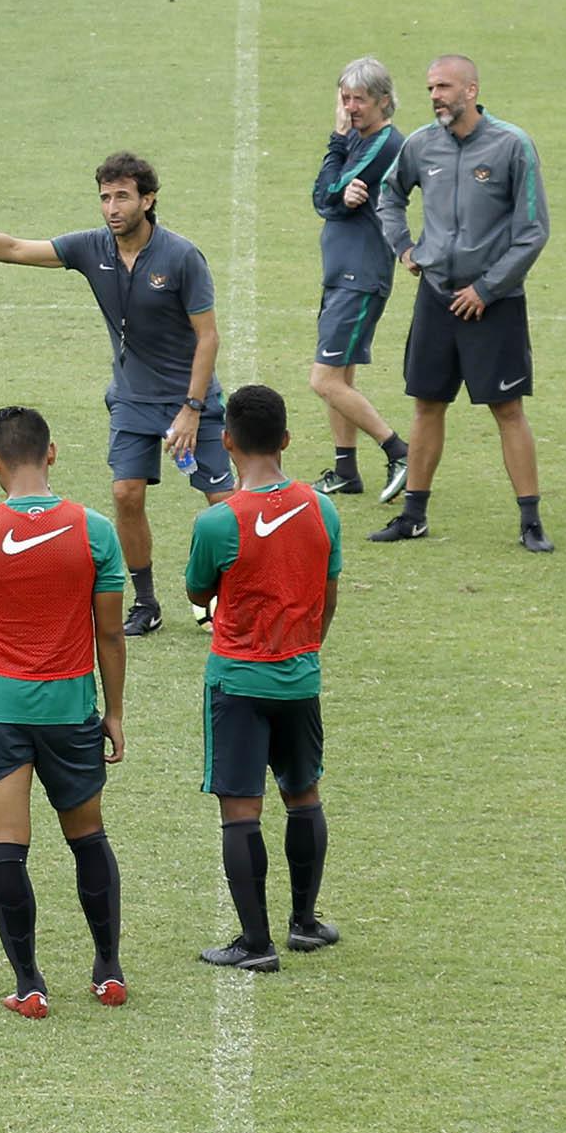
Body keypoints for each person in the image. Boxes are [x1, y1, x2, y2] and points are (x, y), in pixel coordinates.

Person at [0, 152, 228, 636]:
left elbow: (207, 337)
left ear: (148, 201)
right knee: (125, 494)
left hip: (191, 400)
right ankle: (146, 603)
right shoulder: (93, 249)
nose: (112, 207)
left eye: (123, 196)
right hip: (131, 399)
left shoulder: (182, 257)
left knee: (224, 502)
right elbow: (14, 249)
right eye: (105, 197)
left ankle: (228, 595)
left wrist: (193, 409)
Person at [0, 406, 128, 1019]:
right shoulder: (95, 530)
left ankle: (29, 985)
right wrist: (116, 711)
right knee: (87, 837)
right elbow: (109, 633)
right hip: (72, 705)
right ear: (52, 454)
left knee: (7, 846)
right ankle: (108, 971)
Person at [185, 385, 344, 970]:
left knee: (240, 810)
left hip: (238, 683)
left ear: (227, 442)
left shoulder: (218, 522)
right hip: (300, 677)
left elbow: (199, 591)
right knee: (303, 795)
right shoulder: (322, 508)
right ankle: (304, 922)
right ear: (285, 441)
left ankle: (255, 944)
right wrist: (305, 647)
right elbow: (328, 595)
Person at [371, 56, 553, 551]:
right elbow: (389, 197)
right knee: (427, 404)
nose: (435, 96)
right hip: (435, 296)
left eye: (445, 87)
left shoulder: (512, 145)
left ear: (471, 89)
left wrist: (488, 289)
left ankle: (530, 522)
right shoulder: (420, 144)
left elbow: (533, 231)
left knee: (507, 409)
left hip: (493, 302)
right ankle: (414, 516)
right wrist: (404, 248)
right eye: (431, 87)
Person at [308, 58, 413, 501]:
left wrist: (336, 143)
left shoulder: (385, 143)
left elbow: (325, 194)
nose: (350, 108)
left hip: (360, 275)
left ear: (384, 101)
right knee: (341, 378)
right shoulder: (361, 138)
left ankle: (400, 451)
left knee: (324, 380)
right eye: (345, 98)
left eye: (359, 100)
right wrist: (337, 192)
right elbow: (328, 195)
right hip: (342, 274)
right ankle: (346, 471)